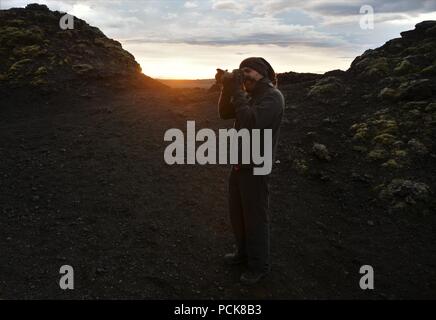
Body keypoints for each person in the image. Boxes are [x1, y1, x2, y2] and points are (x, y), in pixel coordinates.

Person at [217, 57, 285, 285]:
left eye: (248, 71)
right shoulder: (253, 96)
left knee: (255, 218)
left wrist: (237, 89)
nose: (244, 75)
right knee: (238, 214)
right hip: (240, 164)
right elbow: (225, 112)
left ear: (261, 73)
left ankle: (259, 266)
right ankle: (242, 254)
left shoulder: (273, 97)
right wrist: (228, 87)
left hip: (256, 167)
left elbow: (250, 123)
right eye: (241, 71)